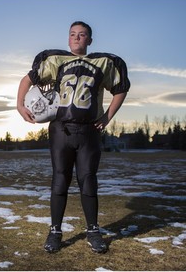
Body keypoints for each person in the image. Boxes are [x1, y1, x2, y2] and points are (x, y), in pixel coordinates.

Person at [17, 21, 130, 254]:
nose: (77, 38)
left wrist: (108, 116)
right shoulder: (57, 61)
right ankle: (55, 231)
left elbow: (121, 88)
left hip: (89, 130)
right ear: (68, 39)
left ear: (90, 40)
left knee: (88, 180)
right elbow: (28, 79)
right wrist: (19, 105)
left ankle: (93, 230)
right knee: (60, 180)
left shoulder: (103, 62)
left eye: (82, 35)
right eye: (73, 34)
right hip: (61, 129)